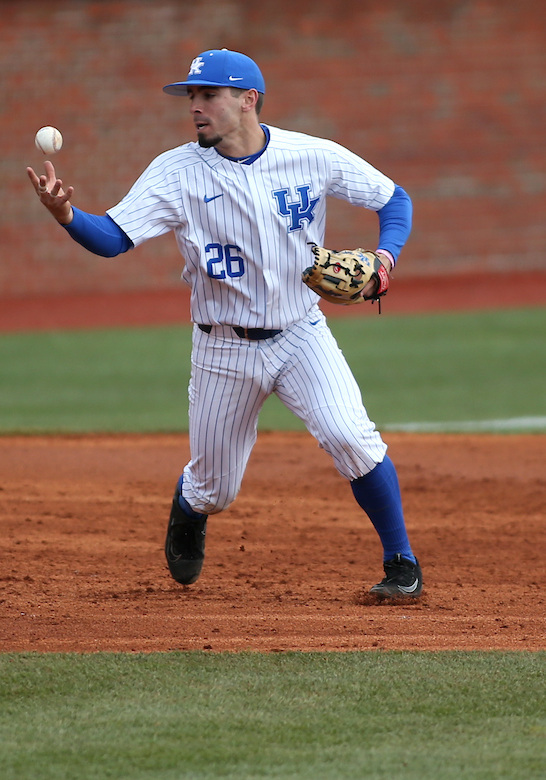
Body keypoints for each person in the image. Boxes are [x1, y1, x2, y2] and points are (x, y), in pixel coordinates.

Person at [27, 49, 420, 600]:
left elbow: (393, 199)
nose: (195, 106)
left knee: (350, 436)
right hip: (222, 349)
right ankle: (190, 507)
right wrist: (67, 215)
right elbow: (114, 238)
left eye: (208, 94)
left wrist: (384, 260)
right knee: (216, 488)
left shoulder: (311, 154)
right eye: (191, 95)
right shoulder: (176, 172)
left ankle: (401, 563)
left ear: (247, 99)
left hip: (301, 333)